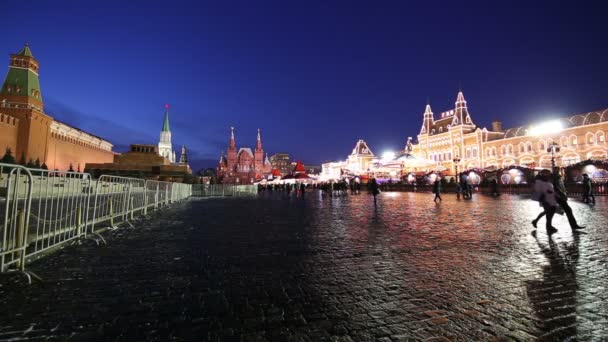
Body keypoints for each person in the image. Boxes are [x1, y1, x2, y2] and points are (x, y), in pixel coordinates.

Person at [531, 169, 559, 234]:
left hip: (551, 198)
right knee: (548, 212)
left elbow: (551, 188)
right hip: (545, 199)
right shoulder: (539, 181)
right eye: (547, 173)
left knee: (549, 212)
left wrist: (554, 193)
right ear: (543, 173)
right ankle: (548, 226)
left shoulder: (548, 180)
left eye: (549, 173)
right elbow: (538, 190)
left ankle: (536, 221)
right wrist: (547, 191)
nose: (549, 174)